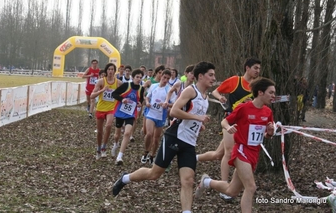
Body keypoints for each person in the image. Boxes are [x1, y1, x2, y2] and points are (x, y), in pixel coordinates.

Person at [113, 61, 215, 213]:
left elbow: (191, 117)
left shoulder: (206, 97)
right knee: (154, 174)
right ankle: (125, 178)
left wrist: (199, 125)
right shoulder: (190, 91)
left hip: (189, 143)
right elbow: (174, 111)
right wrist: (197, 118)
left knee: (188, 180)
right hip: (174, 137)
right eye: (210, 75)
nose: (214, 78)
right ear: (200, 76)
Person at [195, 77, 276, 213]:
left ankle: (206, 182)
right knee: (251, 187)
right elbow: (224, 121)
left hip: (254, 153)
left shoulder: (268, 112)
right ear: (260, 92)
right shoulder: (244, 108)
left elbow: (267, 135)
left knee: (231, 190)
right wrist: (228, 127)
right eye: (271, 92)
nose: (274, 96)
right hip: (241, 150)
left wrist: (270, 132)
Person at [196, 57, 261, 201]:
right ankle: (224, 186)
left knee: (218, 154)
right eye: (255, 68)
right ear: (247, 68)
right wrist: (221, 98)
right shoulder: (235, 81)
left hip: (246, 125)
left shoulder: (257, 85)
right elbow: (216, 92)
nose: (258, 71)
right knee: (229, 151)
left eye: (259, 69)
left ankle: (193, 158)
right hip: (230, 121)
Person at [111, 69, 145, 165]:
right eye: (137, 77)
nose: (139, 79)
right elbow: (114, 94)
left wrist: (139, 103)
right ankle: (116, 144)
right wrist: (122, 99)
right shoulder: (126, 85)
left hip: (130, 114)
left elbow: (140, 100)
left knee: (127, 133)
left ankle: (120, 156)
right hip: (120, 112)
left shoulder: (141, 88)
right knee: (117, 135)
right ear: (133, 77)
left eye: (140, 77)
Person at [91, 63, 122, 160]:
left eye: (112, 69)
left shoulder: (118, 83)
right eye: (109, 69)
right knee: (99, 132)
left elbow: (125, 93)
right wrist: (102, 90)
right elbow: (92, 95)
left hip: (111, 109)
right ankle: (98, 148)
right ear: (106, 71)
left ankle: (104, 147)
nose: (110, 71)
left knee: (108, 125)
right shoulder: (101, 81)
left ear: (114, 71)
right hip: (100, 108)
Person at [141, 69, 172, 164]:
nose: (165, 80)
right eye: (164, 77)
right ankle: (146, 152)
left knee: (156, 138)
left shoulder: (169, 90)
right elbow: (147, 97)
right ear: (160, 76)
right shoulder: (154, 86)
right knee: (149, 134)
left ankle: (152, 155)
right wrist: (147, 102)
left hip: (161, 116)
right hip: (151, 114)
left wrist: (166, 105)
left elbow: (174, 104)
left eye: (168, 78)